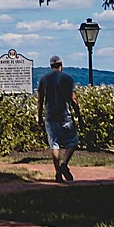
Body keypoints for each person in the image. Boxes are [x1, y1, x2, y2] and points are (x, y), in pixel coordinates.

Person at [37, 54, 81, 183]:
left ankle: (58, 173)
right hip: (65, 116)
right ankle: (64, 164)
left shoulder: (44, 79)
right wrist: (78, 114)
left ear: (51, 66)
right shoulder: (67, 78)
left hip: (50, 116)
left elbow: (40, 100)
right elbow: (73, 99)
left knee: (54, 144)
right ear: (61, 65)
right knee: (72, 142)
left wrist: (39, 116)